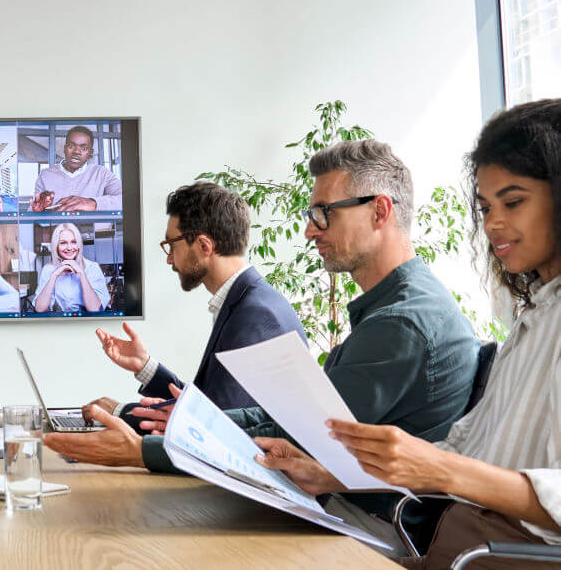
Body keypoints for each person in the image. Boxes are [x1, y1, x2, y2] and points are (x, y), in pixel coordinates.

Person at [46, 140, 479, 527]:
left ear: (380, 211)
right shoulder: (393, 310)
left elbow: (300, 439)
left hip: (363, 523)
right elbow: (285, 420)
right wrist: (177, 422)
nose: (310, 230)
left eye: (322, 214)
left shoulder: (400, 323)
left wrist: (145, 447)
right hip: (344, 506)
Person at [257, 100, 561, 568]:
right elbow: (464, 452)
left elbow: (456, 468)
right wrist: (333, 475)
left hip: (489, 554)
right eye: (484, 207)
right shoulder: (535, 316)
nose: (493, 223)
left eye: (513, 201)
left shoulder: (407, 320)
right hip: (458, 541)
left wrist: (437, 467)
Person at [81, 182, 306, 430]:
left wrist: (118, 413)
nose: (169, 258)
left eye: (172, 245)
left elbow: (215, 427)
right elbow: (210, 405)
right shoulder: (249, 301)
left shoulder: (254, 315)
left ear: (203, 246)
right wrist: (145, 367)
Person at [30, 126, 122, 212]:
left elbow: (126, 200)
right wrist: (39, 211)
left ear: (90, 153)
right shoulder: (45, 175)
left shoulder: (101, 173)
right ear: (64, 149)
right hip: (55, 229)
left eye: (84, 148)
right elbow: (33, 209)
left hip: (90, 229)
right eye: (71, 146)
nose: (76, 152)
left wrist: (93, 202)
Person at [32, 222, 111, 313]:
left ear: (79, 245)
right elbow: (39, 309)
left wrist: (82, 274)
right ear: (56, 246)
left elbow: (95, 310)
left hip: (87, 322)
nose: (69, 248)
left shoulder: (92, 268)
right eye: (63, 243)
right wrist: (54, 276)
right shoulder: (48, 269)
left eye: (74, 242)